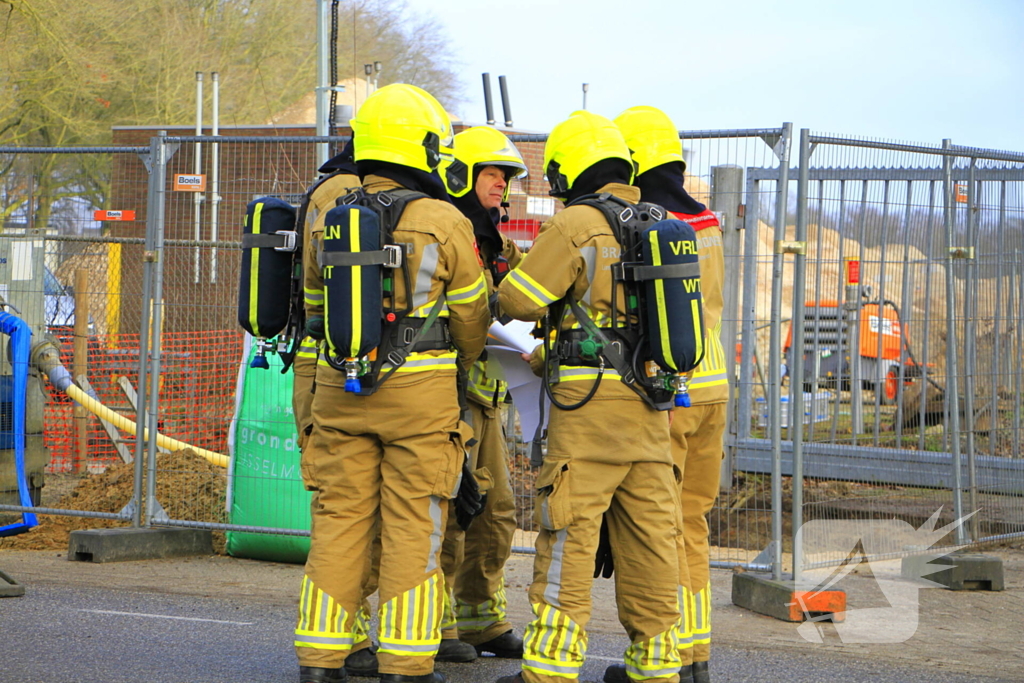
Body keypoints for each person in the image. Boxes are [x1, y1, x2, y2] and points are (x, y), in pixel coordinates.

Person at [294, 83, 491, 683]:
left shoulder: (329, 212)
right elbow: (472, 319)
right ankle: (405, 662)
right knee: (415, 523)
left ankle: (320, 657)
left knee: (339, 520)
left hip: (338, 386)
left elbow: (310, 306)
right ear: (424, 148)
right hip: (420, 397)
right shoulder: (446, 219)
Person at [494, 110, 684, 683]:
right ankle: (656, 668)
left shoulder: (579, 221)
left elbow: (519, 300)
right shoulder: (656, 220)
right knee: (651, 545)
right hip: (651, 410)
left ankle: (549, 670)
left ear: (565, 169)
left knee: (569, 539)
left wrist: (516, 274)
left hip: (590, 408)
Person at [609, 105, 729, 683]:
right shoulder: (706, 220)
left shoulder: (643, 221)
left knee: (662, 529)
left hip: (669, 389)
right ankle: (697, 655)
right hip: (715, 385)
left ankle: (669, 656)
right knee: (695, 522)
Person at [292, 140, 382, 679]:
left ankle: (338, 640)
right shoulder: (347, 196)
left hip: (322, 362)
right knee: (348, 513)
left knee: (342, 510)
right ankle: (343, 638)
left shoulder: (326, 191)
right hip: (338, 368)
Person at [438, 126, 528, 659]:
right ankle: (439, 624)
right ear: (464, 177)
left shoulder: (497, 242)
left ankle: (482, 617)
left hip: (490, 396)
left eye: (506, 176)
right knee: (454, 508)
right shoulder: (452, 235)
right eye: (492, 174)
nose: (502, 185)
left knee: (496, 510)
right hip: (448, 393)